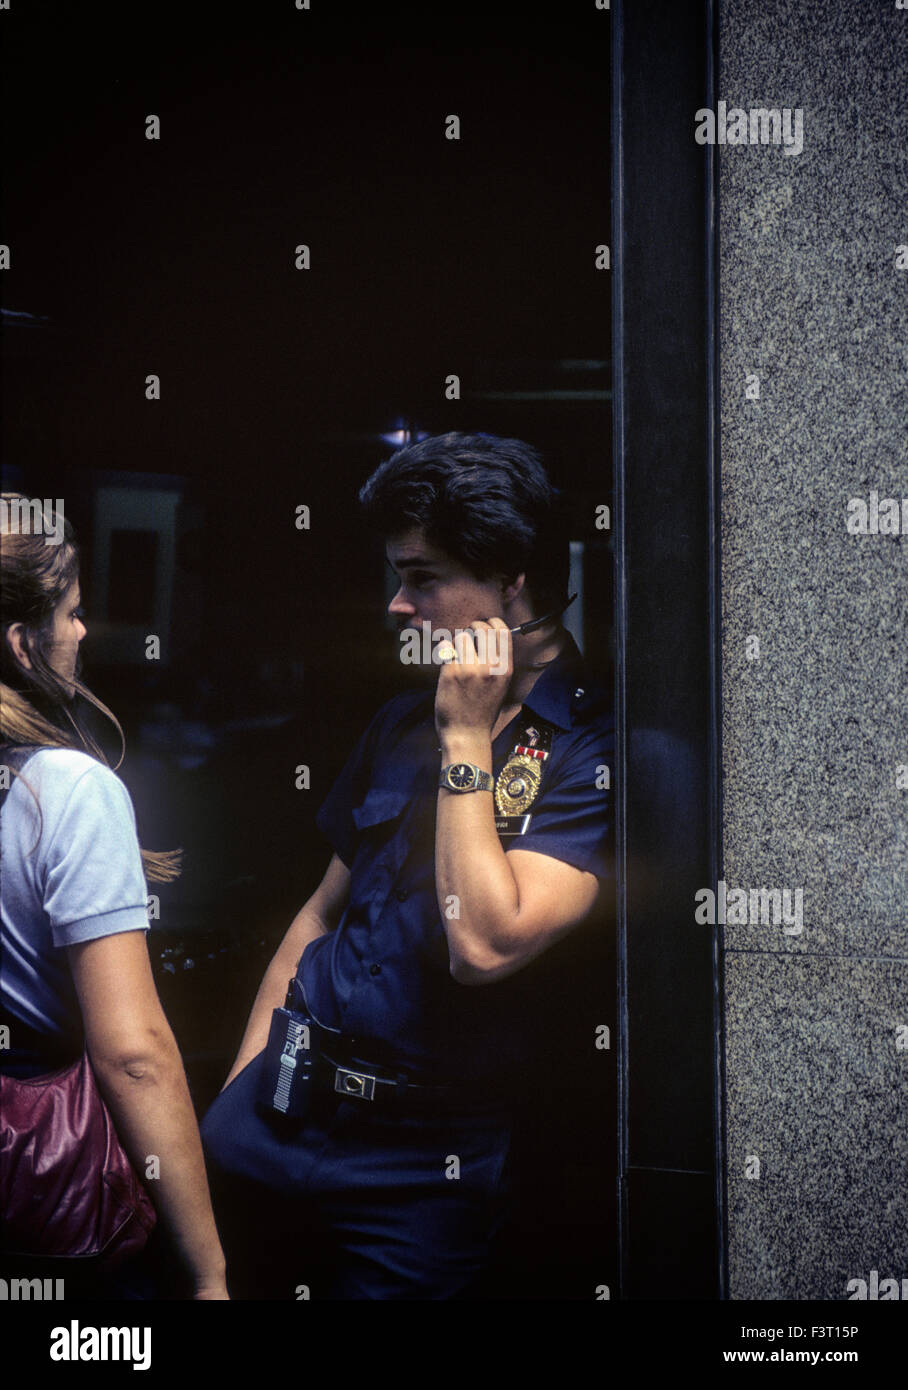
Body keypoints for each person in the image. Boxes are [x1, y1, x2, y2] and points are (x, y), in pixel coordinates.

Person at [201, 433, 614, 1299]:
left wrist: (468, 737)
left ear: (511, 580)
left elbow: (487, 947)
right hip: (278, 1110)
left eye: (422, 578)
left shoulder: (593, 746)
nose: (398, 604)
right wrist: (240, 1088)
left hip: (426, 1167)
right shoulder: (399, 721)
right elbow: (319, 917)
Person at [0, 495, 228, 1300]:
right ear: (23, 644)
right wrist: (208, 1272)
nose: (85, 633)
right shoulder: (67, 791)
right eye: (73, 613)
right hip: (41, 1203)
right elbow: (133, 1055)